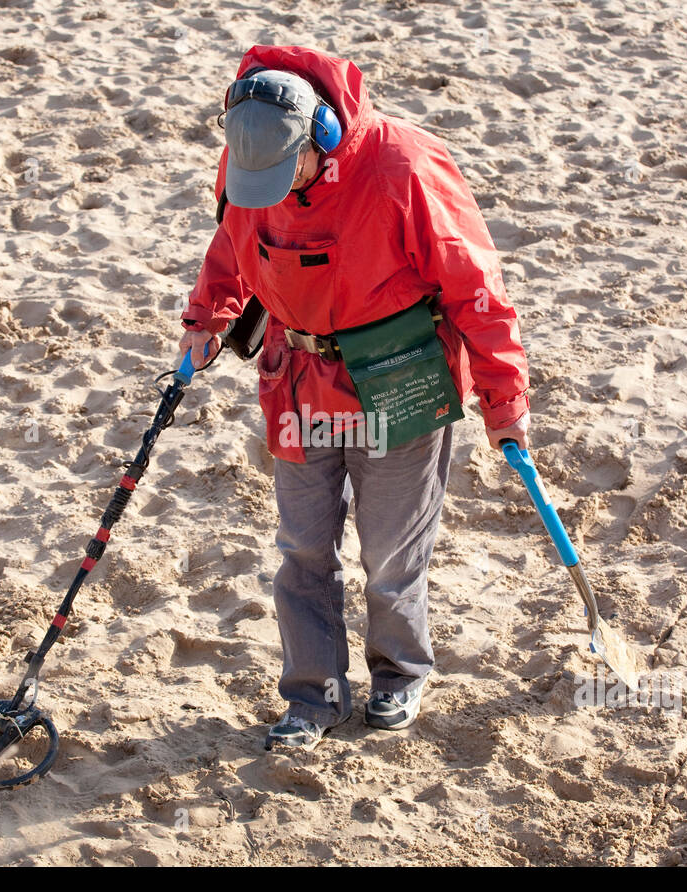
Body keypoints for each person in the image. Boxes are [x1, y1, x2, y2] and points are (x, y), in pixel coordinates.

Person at [177, 45, 530, 751]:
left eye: (286, 174)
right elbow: (231, 245)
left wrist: (504, 400)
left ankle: (399, 674)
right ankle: (315, 693)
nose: (270, 191)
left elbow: (476, 290)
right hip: (296, 378)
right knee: (304, 546)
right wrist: (208, 320)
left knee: (391, 549)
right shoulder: (250, 166)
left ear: (324, 137)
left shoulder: (404, 167)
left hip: (397, 375)